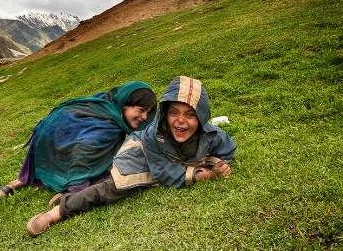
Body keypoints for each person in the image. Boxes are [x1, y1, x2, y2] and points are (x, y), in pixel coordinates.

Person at [26, 76, 237, 238]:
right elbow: (164, 172)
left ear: (201, 118)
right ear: (165, 114)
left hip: (167, 162)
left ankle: (74, 193)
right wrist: (206, 175)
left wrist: (216, 163)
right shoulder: (155, 136)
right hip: (141, 155)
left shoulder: (213, 135)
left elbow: (227, 151)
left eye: (190, 115)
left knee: (107, 180)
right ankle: (58, 212)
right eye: (174, 112)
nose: (180, 121)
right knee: (112, 189)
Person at [0, 81, 157, 203]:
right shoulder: (109, 127)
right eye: (140, 110)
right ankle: (21, 183)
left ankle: (14, 184)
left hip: (49, 142)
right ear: (125, 105)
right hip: (59, 145)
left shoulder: (104, 102)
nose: (143, 117)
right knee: (106, 173)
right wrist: (74, 190)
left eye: (147, 113)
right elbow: (83, 154)